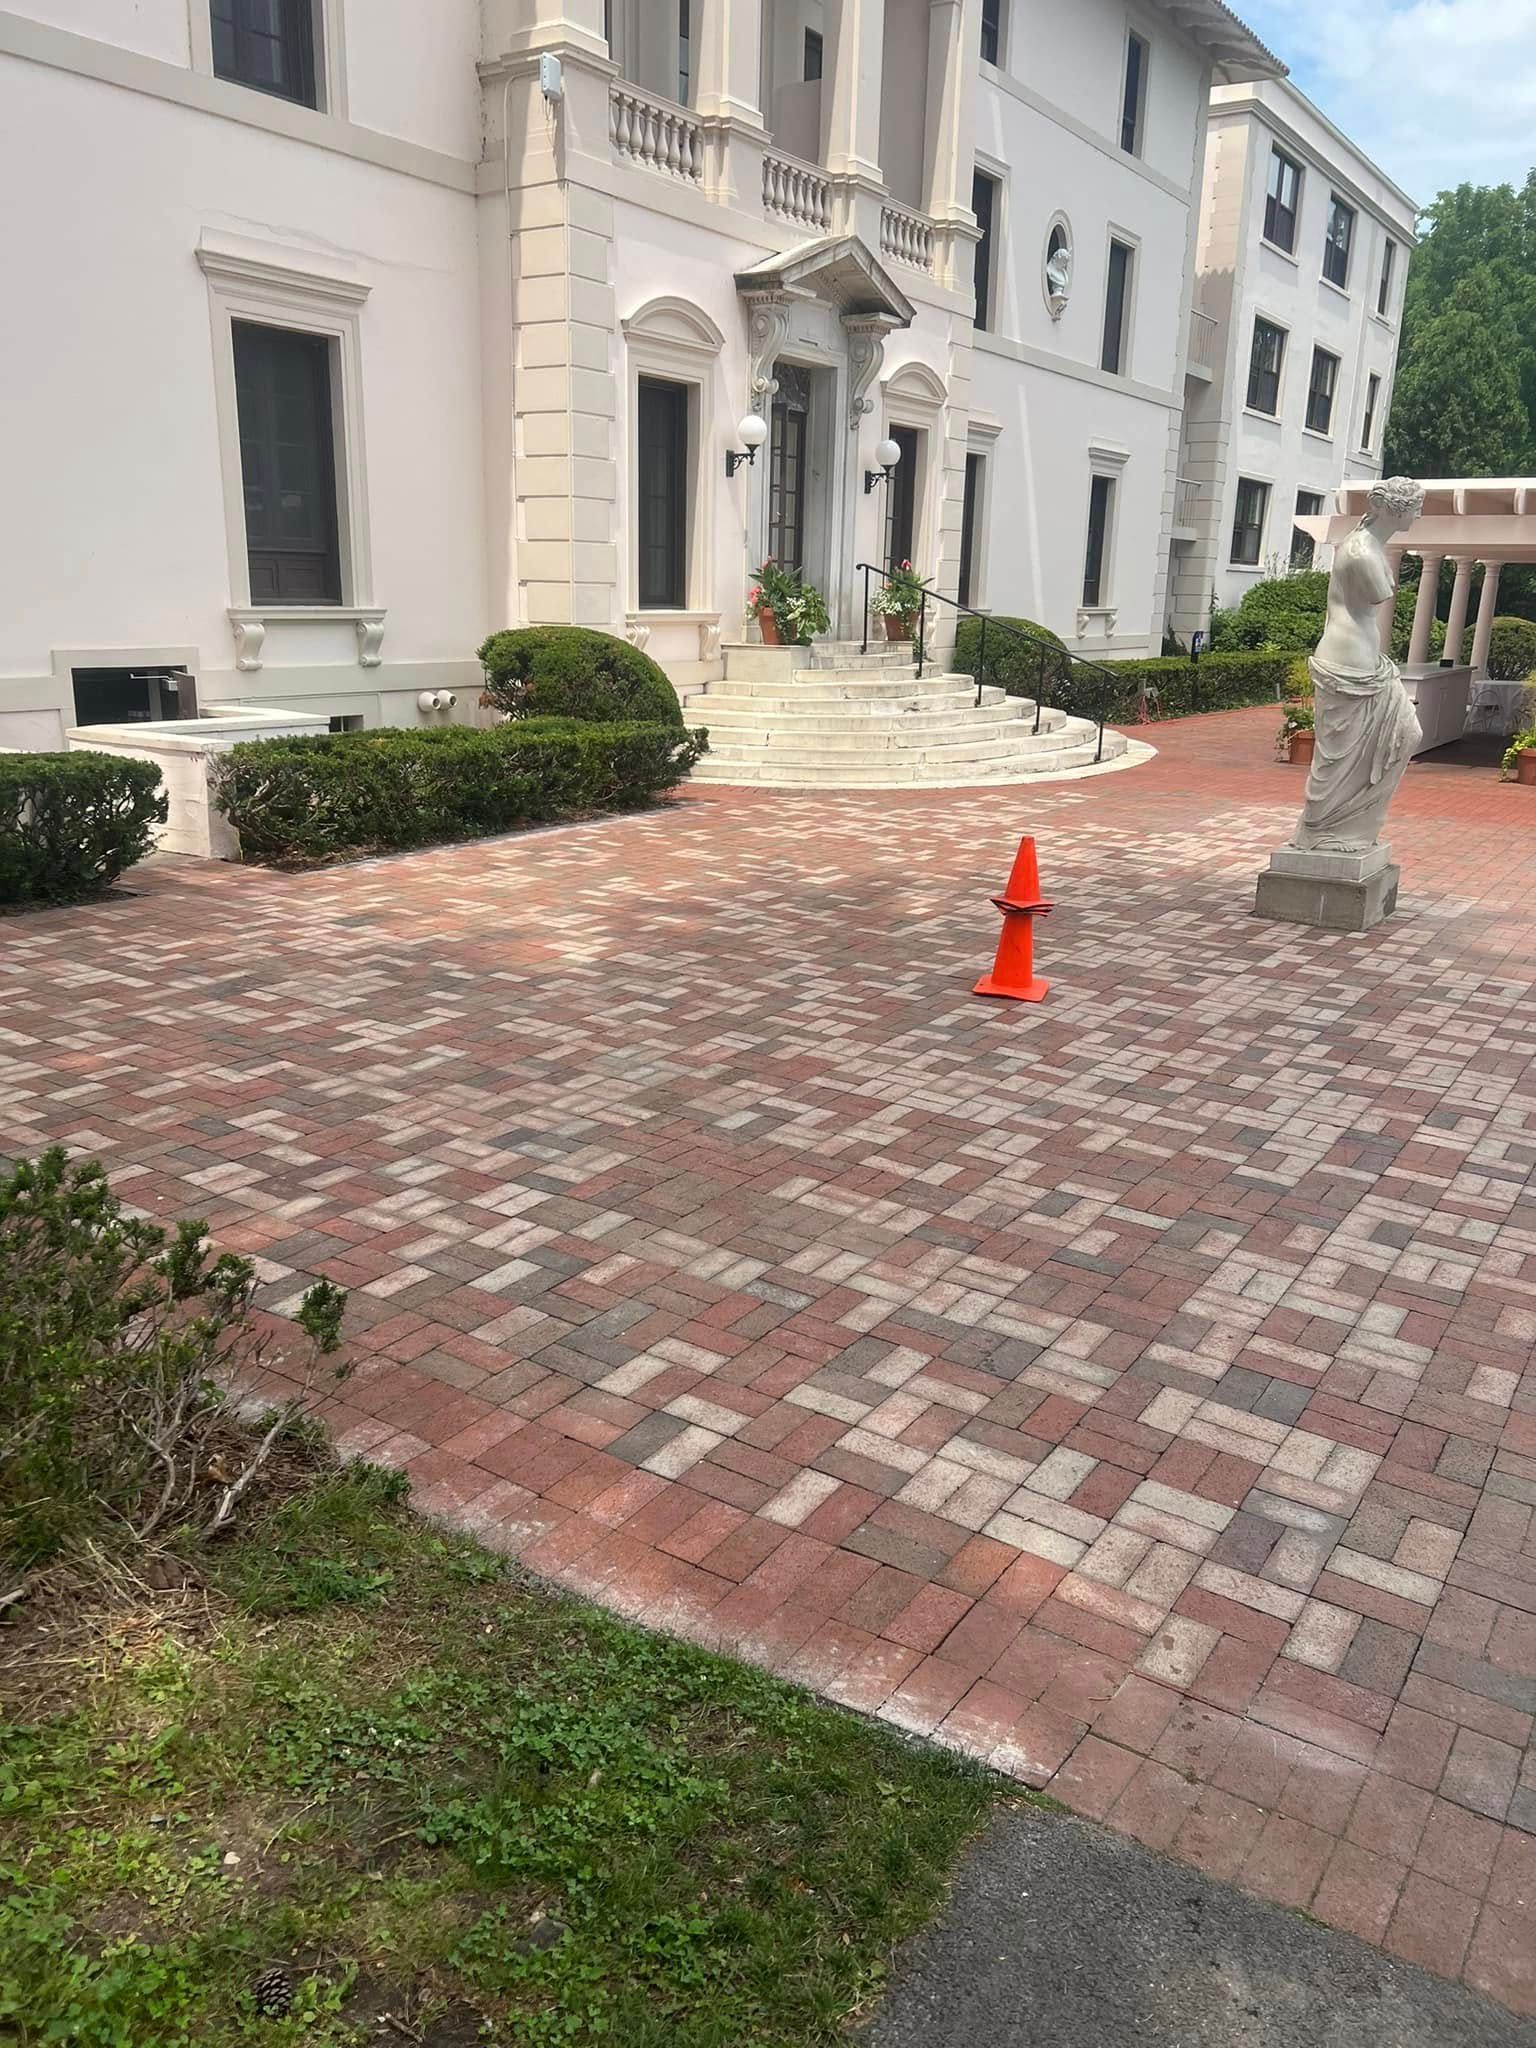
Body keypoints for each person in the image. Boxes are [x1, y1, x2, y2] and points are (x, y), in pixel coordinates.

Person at [1290, 476, 1425, 855]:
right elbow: (1380, 594)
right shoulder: (1361, 551)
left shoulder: (1372, 546)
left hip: (1368, 663)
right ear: (1395, 508)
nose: (1420, 513)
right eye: (1415, 505)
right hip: (1347, 664)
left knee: (1406, 734)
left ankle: (1351, 825)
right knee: (1339, 759)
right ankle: (1323, 830)